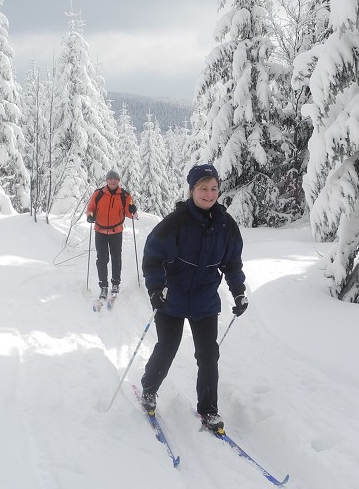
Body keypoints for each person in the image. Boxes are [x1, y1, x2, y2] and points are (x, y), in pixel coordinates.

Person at [138, 164, 248, 433]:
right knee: (168, 346)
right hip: (172, 298)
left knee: (209, 354)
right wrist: (155, 289)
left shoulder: (227, 225)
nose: (209, 194)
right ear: (192, 190)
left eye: (214, 189)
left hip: (205, 300)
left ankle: (209, 409)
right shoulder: (175, 222)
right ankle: (149, 389)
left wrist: (239, 292)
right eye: (203, 188)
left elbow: (232, 264)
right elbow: (153, 258)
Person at [86, 170, 137, 299]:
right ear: (107, 180)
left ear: (119, 181)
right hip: (100, 231)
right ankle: (103, 286)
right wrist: (90, 216)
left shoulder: (125, 195)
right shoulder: (98, 194)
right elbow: (91, 208)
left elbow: (130, 214)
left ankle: (115, 284)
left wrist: (132, 210)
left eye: (115, 179)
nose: (113, 181)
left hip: (116, 232)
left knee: (116, 258)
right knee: (102, 260)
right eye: (110, 179)